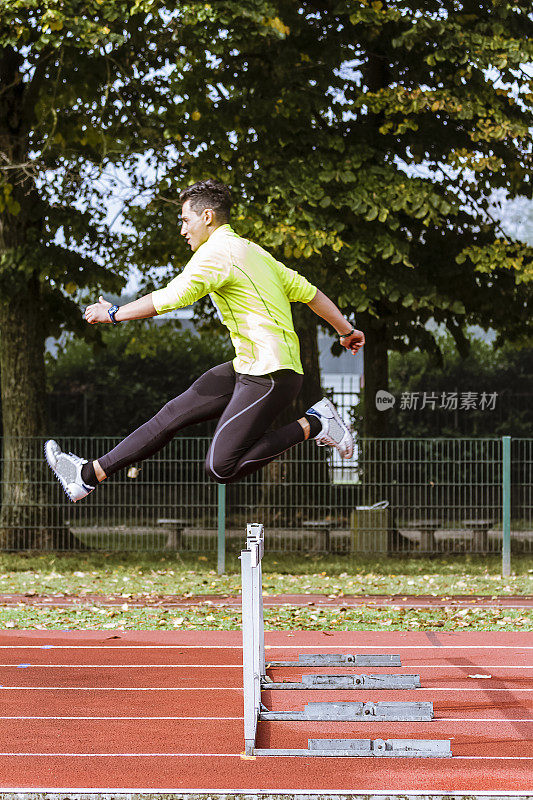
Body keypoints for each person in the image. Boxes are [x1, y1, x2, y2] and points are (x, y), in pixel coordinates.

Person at [45, 179, 365, 502]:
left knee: (220, 466)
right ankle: (87, 476)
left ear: (207, 217)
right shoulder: (254, 252)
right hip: (252, 366)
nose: (183, 230)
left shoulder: (215, 253)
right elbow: (310, 293)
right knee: (172, 415)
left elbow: (170, 297)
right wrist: (346, 331)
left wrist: (113, 313)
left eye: (186, 220)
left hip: (270, 374)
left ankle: (316, 423)